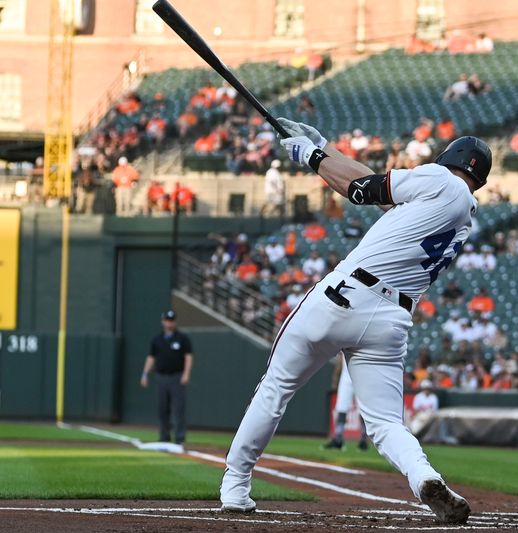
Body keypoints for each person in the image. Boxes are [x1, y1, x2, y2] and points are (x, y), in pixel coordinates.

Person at [220, 117, 491, 525]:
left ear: (448, 157)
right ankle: (425, 477)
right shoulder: (463, 215)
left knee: (275, 389)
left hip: (342, 298)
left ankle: (236, 485)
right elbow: (380, 192)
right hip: (391, 321)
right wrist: (326, 148)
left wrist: (311, 158)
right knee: (384, 423)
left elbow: (361, 190)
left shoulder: (438, 179)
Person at [140, 310, 193, 445]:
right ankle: (164, 436)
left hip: (176, 376)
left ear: (175, 321)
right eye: (167, 320)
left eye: (172, 320)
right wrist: (145, 374)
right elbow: (151, 357)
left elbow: (188, 357)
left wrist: (186, 373)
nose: (169, 322)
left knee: (178, 408)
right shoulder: (157, 340)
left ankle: (179, 438)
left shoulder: (182, 338)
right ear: (163, 321)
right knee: (163, 408)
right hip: (161, 376)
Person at [324, 355, 369, 451]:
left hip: (362, 374)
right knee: (341, 407)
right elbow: (341, 356)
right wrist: (335, 376)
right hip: (346, 375)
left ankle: (363, 440)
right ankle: (338, 438)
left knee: (363, 408)